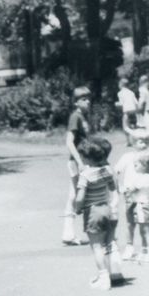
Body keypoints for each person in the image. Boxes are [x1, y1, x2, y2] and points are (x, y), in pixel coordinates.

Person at [74, 135, 124, 291]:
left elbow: (80, 197)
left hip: (93, 212)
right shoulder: (107, 171)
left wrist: (77, 208)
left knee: (96, 246)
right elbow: (113, 189)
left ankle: (103, 278)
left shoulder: (85, 175)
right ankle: (114, 273)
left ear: (87, 158)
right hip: (106, 209)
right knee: (109, 243)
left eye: (82, 155)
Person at [114, 128, 149, 260]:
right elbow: (117, 170)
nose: (142, 144)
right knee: (130, 224)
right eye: (139, 141)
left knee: (144, 225)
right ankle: (129, 247)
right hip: (129, 195)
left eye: (145, 142)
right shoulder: (128, 157)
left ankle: (146, 249)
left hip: (142, 196)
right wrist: (119, 186)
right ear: (133, 142)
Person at [61, 86, 92, 246]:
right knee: (76, 195)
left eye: (88, 98)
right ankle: (70, 233)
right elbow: (69, 142)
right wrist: (79, 162)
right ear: (76, 102)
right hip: (76, 162)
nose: (87, 102)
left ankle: (69, 233)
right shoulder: (75, 117)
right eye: (83, 99)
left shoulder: (84, 116)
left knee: (74, 195)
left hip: (83, 160)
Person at [124, 151, 149, 263]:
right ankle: (145, 251)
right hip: (145, 204)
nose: (134, 167)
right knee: (143, 230)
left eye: (136, 165)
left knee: (145, 231)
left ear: (144, 166)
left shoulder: (144, 178)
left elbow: (133, 189)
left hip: (142, 206)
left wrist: (124, 190)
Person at [115, 76, 139, 141]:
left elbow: (121, 103)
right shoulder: (131, 92)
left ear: (121, 85)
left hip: (127, 111)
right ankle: (136, 138)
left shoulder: (120, 93)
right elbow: (136, 103)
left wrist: (116, 104)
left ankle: (128, 141)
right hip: (133, 110)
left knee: (125, 126)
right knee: (134, 125)